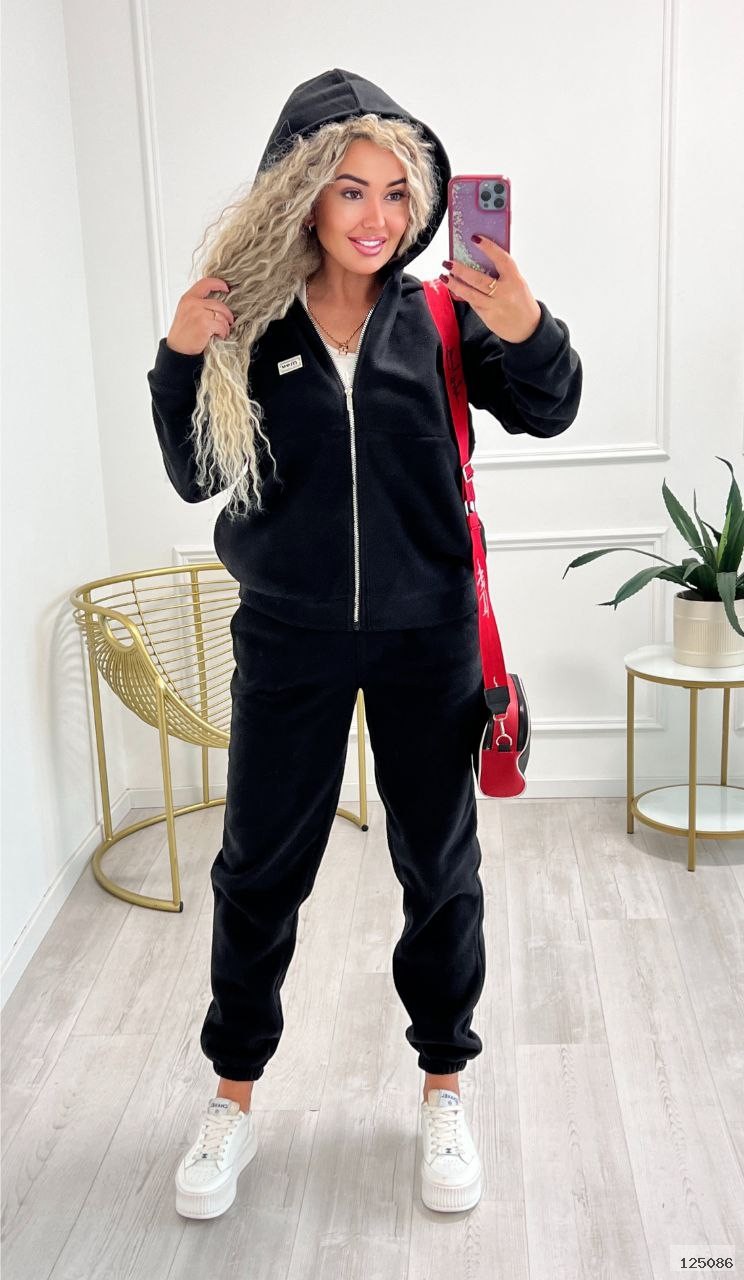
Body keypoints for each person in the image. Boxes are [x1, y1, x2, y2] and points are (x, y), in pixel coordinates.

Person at [147, 67, 582, 1221]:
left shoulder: (443, 314)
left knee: (438, 869)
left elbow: (552, 407)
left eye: (397, 191)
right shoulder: (253, 324)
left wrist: (528, 329)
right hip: (288, 638)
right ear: (304, 194)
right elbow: (196, 472)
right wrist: (181, 356)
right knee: (258, 870)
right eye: (351, 189)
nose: (377, 215)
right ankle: (232, 1097)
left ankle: (444, 1088)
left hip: (424, 639)